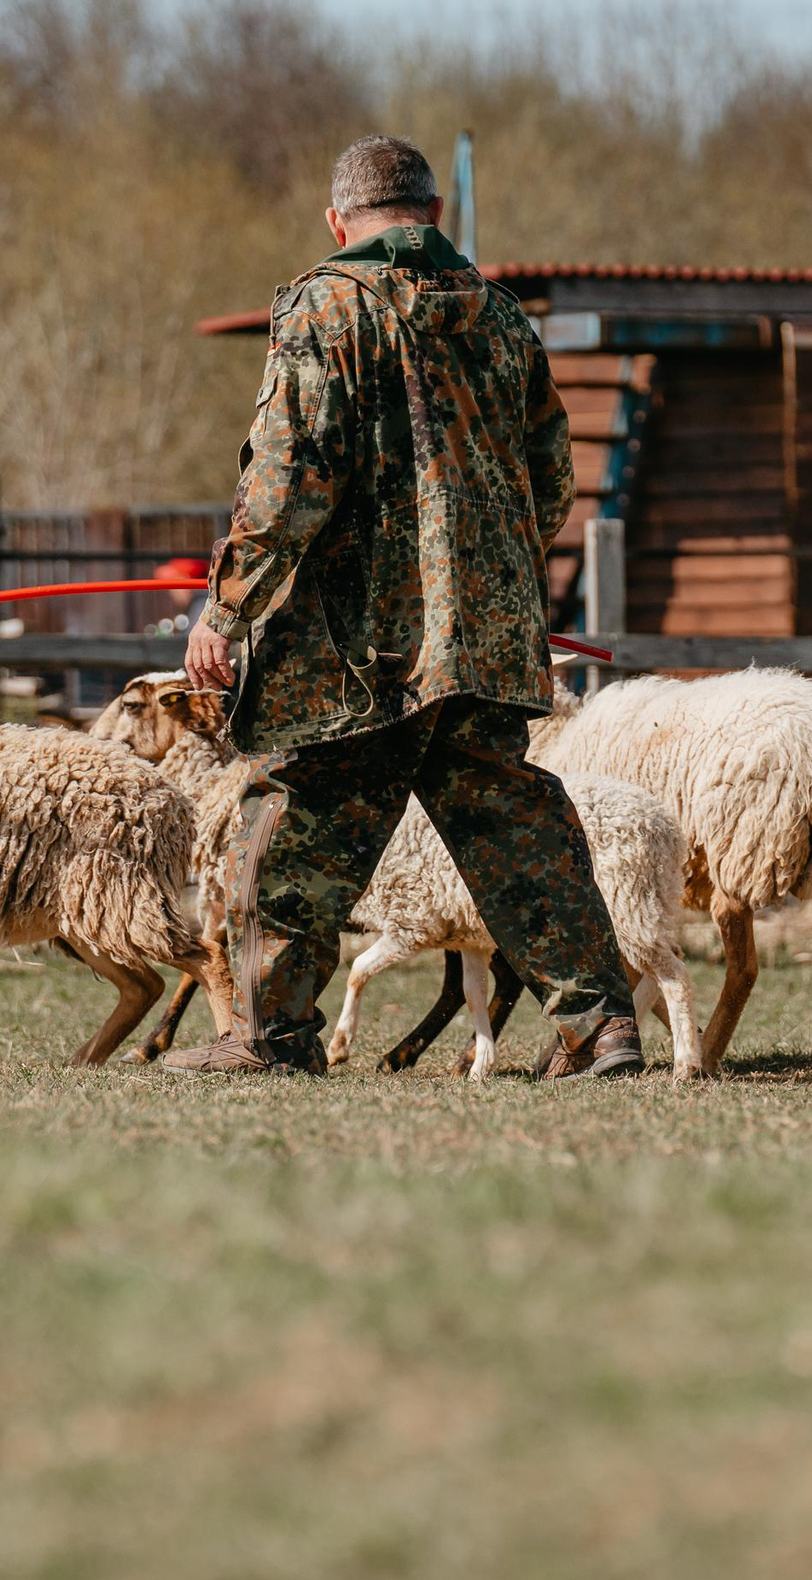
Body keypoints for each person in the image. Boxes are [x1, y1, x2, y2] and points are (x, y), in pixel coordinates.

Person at [161, 134, 641, 1079]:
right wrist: (492, 584)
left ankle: (269, 1037)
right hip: (485, 642)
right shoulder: (502, 317)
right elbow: (551, 476)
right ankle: (601, 1029)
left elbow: (289, 477)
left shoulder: (325, 305)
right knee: (518, 831)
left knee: (293, 825)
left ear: (337, 221)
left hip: (357, 650)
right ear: (433, 214)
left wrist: (227, 607)